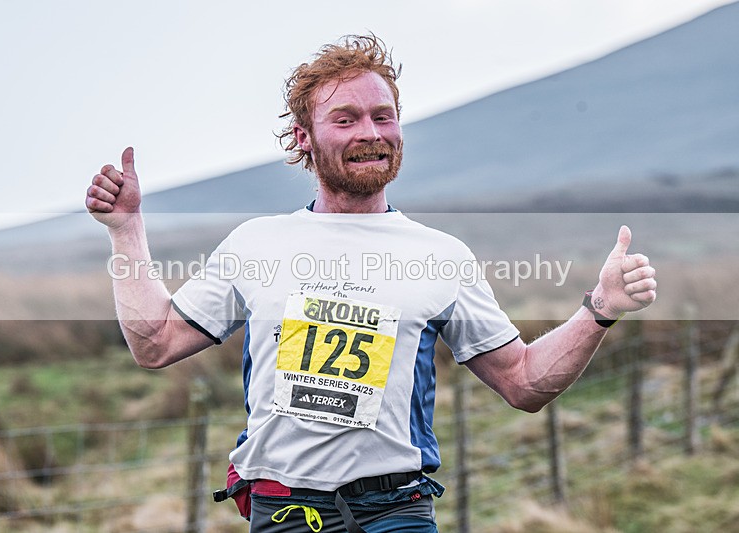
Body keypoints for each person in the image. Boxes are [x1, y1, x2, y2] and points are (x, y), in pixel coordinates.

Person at [85, 35, 656, 533]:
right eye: (346, 119)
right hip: (281, 513)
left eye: (383, 116)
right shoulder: (256, 244)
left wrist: (599, 309)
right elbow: (155, 342)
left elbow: (525, 382)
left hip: (396, 514)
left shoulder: (440, 256)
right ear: (302, 136)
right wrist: (126, 231)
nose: (371, 133)